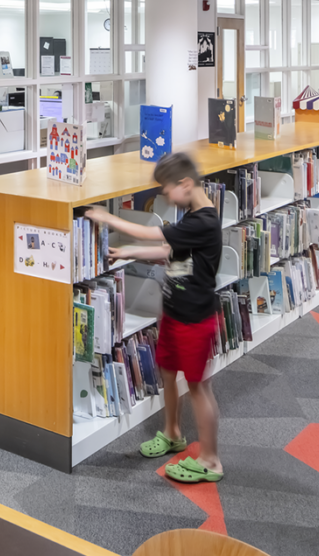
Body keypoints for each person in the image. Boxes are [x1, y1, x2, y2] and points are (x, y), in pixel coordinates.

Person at [83, 152, 224, 484]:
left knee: (198, 386)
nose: (164, 195)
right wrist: (128, 252)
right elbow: (169, 251)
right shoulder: (193, 215)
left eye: (166, 188)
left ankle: (210, 460)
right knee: (168, 374)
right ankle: (172, 433)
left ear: (185, 184)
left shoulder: (203, 221)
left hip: (195, 318)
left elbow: (155, 236)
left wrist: (108, 218)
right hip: (175, 312)